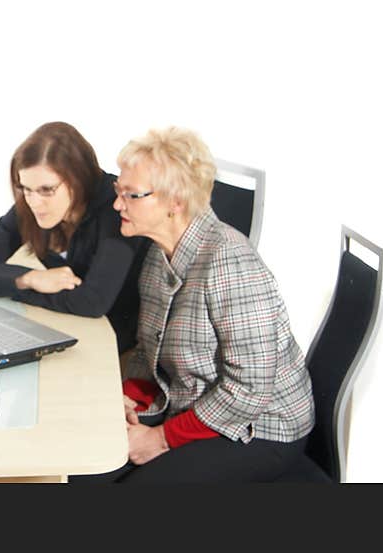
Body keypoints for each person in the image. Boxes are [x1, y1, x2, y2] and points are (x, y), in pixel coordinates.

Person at [72, 126, 314, 483]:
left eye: (132, 195)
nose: (117, 204)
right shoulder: (158, 254)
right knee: (82, 472)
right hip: (190, 404)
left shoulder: (231, 264)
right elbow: (149, 350)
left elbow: (249, 391)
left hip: (261, 427)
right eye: (118, 191)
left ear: (176, 202)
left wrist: (159, 438)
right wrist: (126, 397)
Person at [0, 122, 149, 353]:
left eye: (46, 190)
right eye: (25, 188)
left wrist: (11, 287)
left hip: (117, 342)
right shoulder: (31, 202)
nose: (34, 202)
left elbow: (92, 301)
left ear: (77, 179)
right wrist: (29, 279)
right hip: (66, 326)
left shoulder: (117, 207)